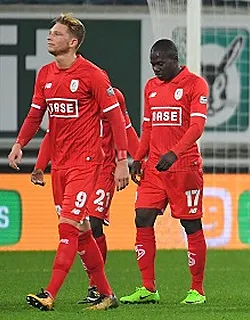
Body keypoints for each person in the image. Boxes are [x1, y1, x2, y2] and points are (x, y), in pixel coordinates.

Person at [7, 13, 130, 311]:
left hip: (86, 164)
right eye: (50, 32)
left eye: (57, 33)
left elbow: (116, 118)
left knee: (68, 227)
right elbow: (36, 115)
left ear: (73, 42)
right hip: (60, 166)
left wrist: (122, 161)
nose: (50, 37)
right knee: (84, 230)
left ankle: (49, 294)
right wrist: (20, 143)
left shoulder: (93, 75)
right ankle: (105, 295)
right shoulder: (46, 74)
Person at [119, 38, 209, 305]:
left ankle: (197, 289)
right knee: (142, 218)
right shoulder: (151, 87)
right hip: (155, 169)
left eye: (160, 64)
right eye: (152, 64)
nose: (156, 69)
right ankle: (148, 288)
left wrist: (175, 153)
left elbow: (196, 127)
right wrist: (138, 157)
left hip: (184, 167)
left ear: (174, 60)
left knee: (191, 224)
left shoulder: (195, 84)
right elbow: (147, 127)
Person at [31, 86, 139, 304]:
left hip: (104, 169)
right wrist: (41, 164)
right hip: (74, 168)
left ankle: (85, 289)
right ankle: (103, 291)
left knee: (93, 222)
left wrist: (136, 161)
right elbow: (53, 133)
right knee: (82, 229)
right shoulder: (74, 98)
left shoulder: (114, 97)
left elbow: (126, 128)